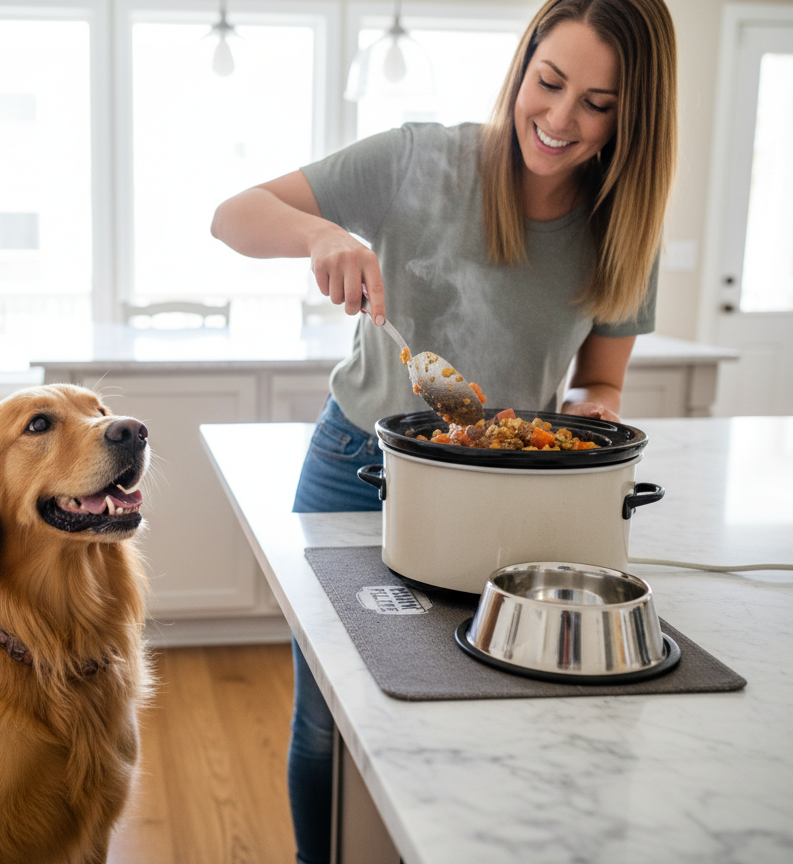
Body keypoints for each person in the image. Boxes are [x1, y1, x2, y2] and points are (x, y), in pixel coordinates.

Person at [209, 0, 677, 861]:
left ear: (632, 116)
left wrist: (586, 420)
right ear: (523, 65)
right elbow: (232, 215)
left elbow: (600, 382)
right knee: (330, 722)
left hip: (518, 494)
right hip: (359, 470)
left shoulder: (624, 227)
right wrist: (320, 233)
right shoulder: (418, 159)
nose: (560, 120)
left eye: (598, 104)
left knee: (485, 704)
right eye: (549, 82)